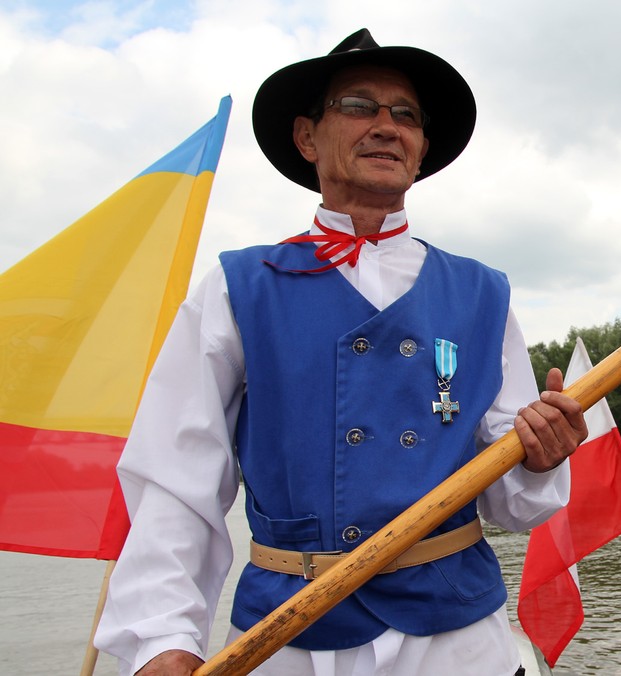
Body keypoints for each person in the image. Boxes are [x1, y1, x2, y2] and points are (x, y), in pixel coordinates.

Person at [94, 29, 587, 676]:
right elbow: (175, 481)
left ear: (421, 148)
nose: (387, 126)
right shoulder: (237, 289)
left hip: (461, 642)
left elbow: (516, 504)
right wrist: (162, 638)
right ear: (307, 138)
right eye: (359, 106)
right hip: (289, 640)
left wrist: (541, 457)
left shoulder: (482, 294)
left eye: (405, 114)